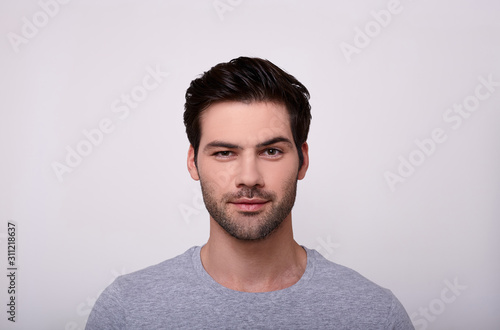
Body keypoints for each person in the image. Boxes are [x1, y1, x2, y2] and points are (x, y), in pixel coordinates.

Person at [85, 57, 414, 329]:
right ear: (193, 162)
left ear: (303, 160)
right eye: (224, 153)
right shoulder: (126, 310)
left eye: (271, 151)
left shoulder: (375, 315)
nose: (249, 178)